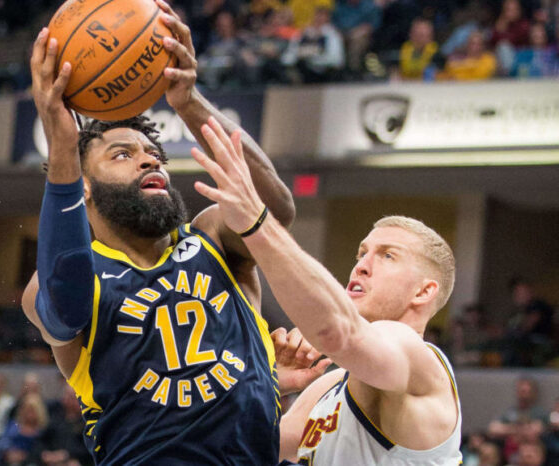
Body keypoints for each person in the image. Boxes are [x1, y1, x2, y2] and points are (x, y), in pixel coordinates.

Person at [20, 0, 296, 463]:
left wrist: (190, 103)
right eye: (123, 154)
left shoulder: (211, 238)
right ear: (83, 187)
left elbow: (276, 210)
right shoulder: (58, 283)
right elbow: (64, 302)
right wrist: (63, 149)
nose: (150, 159)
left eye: (153, 153)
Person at [188, 134, 462, 463]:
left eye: (388, 256)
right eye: (362, 253)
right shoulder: (330, 384)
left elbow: (336, 331)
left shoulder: (413, 354)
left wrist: (256, 224)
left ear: (424, 291)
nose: (362, 266)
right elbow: (241, 449)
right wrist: (266, 384)